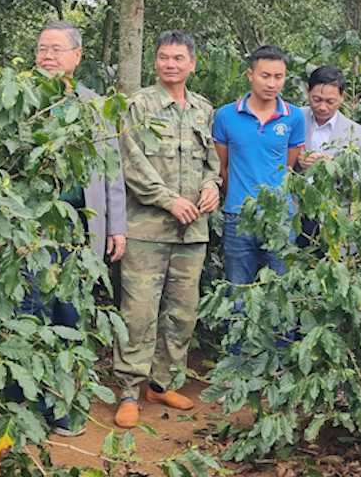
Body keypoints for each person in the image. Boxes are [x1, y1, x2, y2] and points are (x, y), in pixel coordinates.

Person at [20, 20, 127, 437]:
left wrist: (115, 226)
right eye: (42, 49)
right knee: (28, 312)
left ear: (77, 57)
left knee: (70, 314)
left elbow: (111, 172)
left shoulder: (95, 106)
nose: (47, 56)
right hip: (29, 231)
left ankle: (61, 407)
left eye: (56, 49)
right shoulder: (19, 100)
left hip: (79, 233)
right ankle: (21, 407)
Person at [113, 31, 221, 428]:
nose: (170, 64)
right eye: (163, 57)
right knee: (138, 312)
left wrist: (212, 188)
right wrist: (168, 199)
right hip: (147, 228)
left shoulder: (202, 110)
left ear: (192, 63)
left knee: (181, 313)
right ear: (155, 61)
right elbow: (131, 163)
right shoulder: (137, 106)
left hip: (192, 233)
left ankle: (162, 382)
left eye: (178, 58)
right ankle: (128, 389)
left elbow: (213, 162)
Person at [212, 45, 305, 292]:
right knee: (236, 290)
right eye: (265, 76)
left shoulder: (294, 117)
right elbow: (222, 168)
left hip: (280, 217)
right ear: (250, 75)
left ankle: (280, 334)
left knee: (279, 292)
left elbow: (288, 167)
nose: (272, 83)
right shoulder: (225, 116)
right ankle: (234, 331)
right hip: (237, 215)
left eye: (279, 77)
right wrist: (237, 199)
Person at [297, 65, 361, 250]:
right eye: (317, 99)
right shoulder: (292, 118)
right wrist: (295, 160)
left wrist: (337, 169)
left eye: (330, 101)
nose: (322, 107)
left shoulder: (358, 135)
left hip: (332, 219)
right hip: (294, 213)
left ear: (342, 97)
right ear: (307, 92)